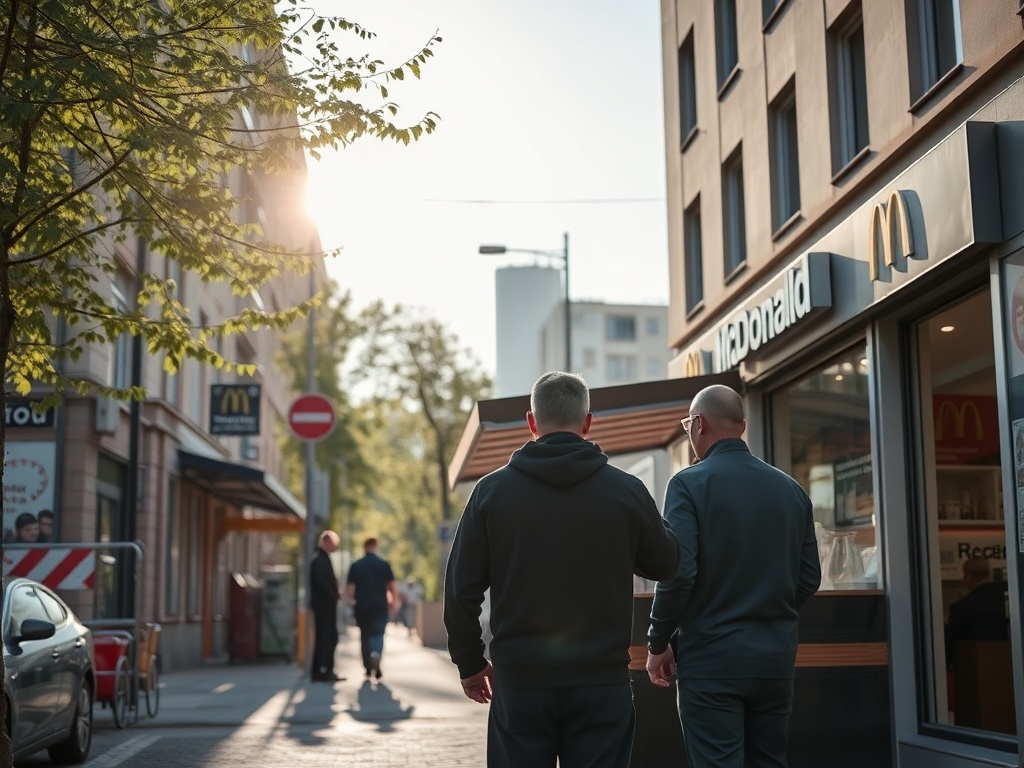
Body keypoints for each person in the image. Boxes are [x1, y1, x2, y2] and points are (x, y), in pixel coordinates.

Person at [444, 371, 680, 768]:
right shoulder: (625, 491)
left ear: (531, 422)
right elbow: (667, 564)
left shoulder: (491, 492)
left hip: (520, 685)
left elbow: (459, 591)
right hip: (601, 685)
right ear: (587, 422)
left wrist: (470, 663)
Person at [646, 384, 821, 768]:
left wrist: (659, 641)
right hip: (774, 660)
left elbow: (679, 572)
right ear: (741, 426)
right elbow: (809, 577)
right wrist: (768, 612)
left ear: (698, 425)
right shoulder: (791, 491)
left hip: (711, 662)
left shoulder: (688, 485)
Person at [346, 537, 398, 680]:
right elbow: (392, 587)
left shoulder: (356, 566)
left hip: (362, 605)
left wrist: (351, 603)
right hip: (380, 605)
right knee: (378, 633)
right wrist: (393, 603)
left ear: (364, 547)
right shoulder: (384, 565)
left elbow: (350, 589)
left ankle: (368, 667)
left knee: (365, 635)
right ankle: (376, 654)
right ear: (375, 546)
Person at [945, 556, 1008, 666]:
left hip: (977, 670)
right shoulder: (1010, 599)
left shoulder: (963, 607)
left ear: (968, 577)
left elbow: (951, 644)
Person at [309, 530, 345, 682]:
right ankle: (323, 670)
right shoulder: (319, 560)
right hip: (323, 606)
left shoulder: (321, 559)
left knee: (328, 637)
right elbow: (322, 582)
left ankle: (323, 669)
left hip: (326, 605)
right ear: (326, 542)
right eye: (333, 543)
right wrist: (333, 594)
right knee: (327, 638)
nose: (335, 547)